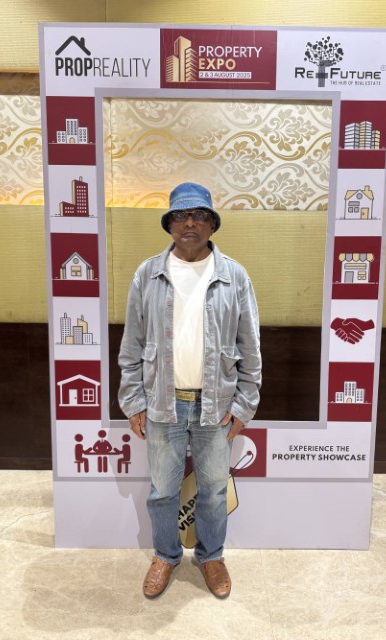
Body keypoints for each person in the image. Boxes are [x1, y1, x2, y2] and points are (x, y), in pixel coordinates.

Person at [118, 182, 261, 599]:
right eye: (180, 216)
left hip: (217, 404)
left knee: (213, 490)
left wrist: (245, 404)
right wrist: (133, 400)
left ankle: (211, 556)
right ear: (169, 224)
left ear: (212, 224)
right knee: (163, 490)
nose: (190, 223)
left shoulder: (234, 276)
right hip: (162, 403)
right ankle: (165, 555)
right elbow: (131, 345)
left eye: (199, 215)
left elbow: (251, 347)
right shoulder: (147, 274)